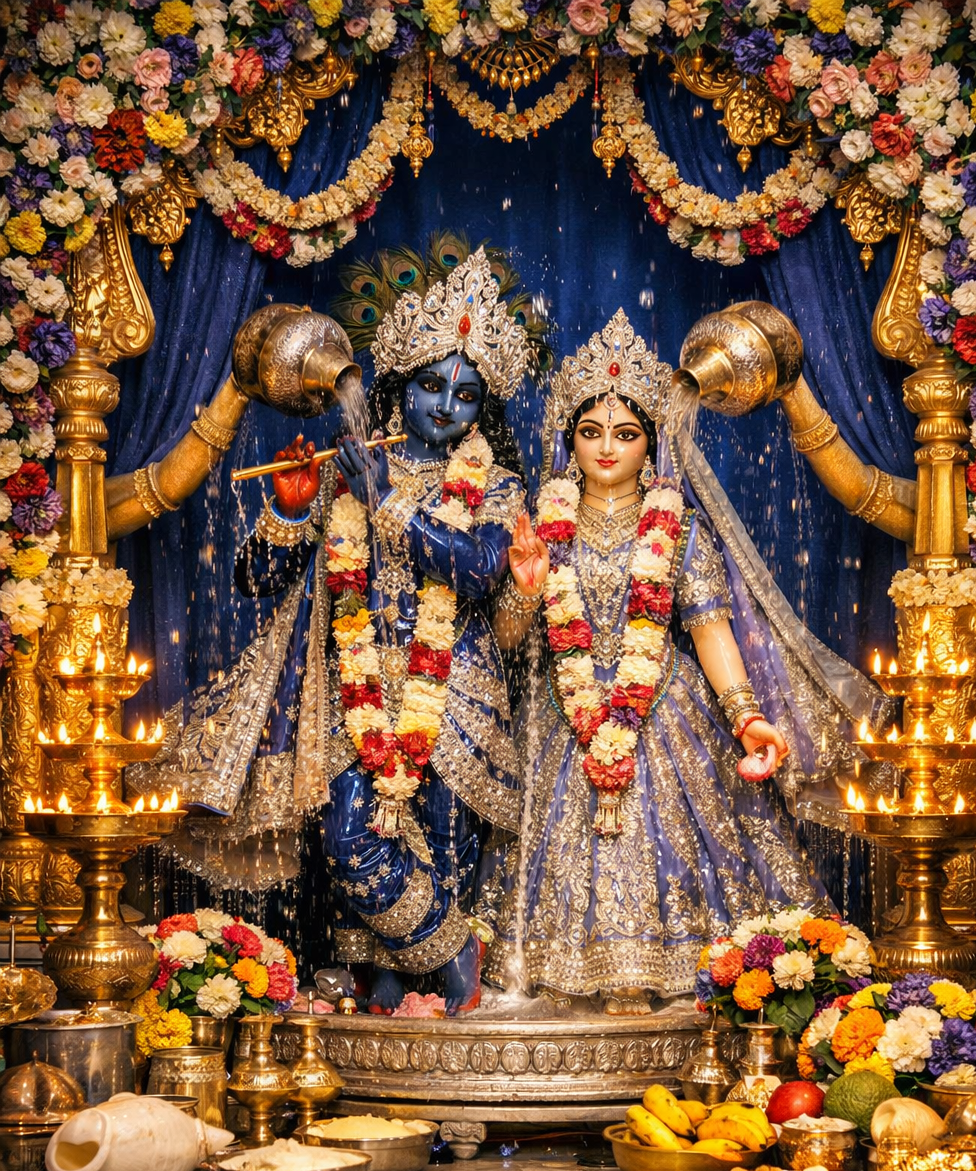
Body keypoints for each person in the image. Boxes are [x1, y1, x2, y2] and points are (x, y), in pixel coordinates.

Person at [140, 242, 545, 1015]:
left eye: (465, 395)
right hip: (349, 696)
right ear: (399, 383)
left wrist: (388, 497)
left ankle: (411, 1011)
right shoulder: (339, 468)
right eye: (430, 385)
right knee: (352, 841)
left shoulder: (495, 484)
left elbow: (478, 568)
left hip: (455, 695)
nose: (444, 409)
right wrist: (292, 507)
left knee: (444, 853)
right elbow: (258, 580)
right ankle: (457, 951)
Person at [486, 310, 887, 1014]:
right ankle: (558, 981)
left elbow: (710, 634)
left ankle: (669, 978)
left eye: (626, 433)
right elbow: (512, 643)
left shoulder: (682, 527)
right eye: (590, 432)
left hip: (664, 714)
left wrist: (748, 719)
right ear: (566, 438)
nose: (607, 448)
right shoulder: (538, 519)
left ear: (654, 442)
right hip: (560, 713)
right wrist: (522, 594)